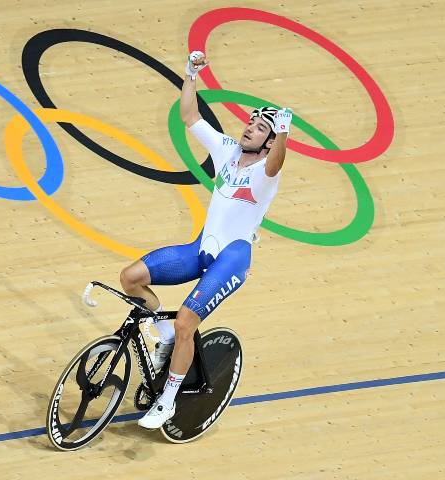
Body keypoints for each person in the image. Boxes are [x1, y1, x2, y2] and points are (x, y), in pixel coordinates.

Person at [119, 51, 293, 429]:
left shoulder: (267, 169)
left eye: (259, 128)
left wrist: (282, 133)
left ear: (269, 142)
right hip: (202, 248)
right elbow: (190, 117)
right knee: (131, 277)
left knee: (186, 322)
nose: (249, 128)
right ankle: (164, 335)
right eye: (250, 123)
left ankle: (166, 401)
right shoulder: (228, 150)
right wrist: (190, 75)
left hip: (231, 259)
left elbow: (278, 161)